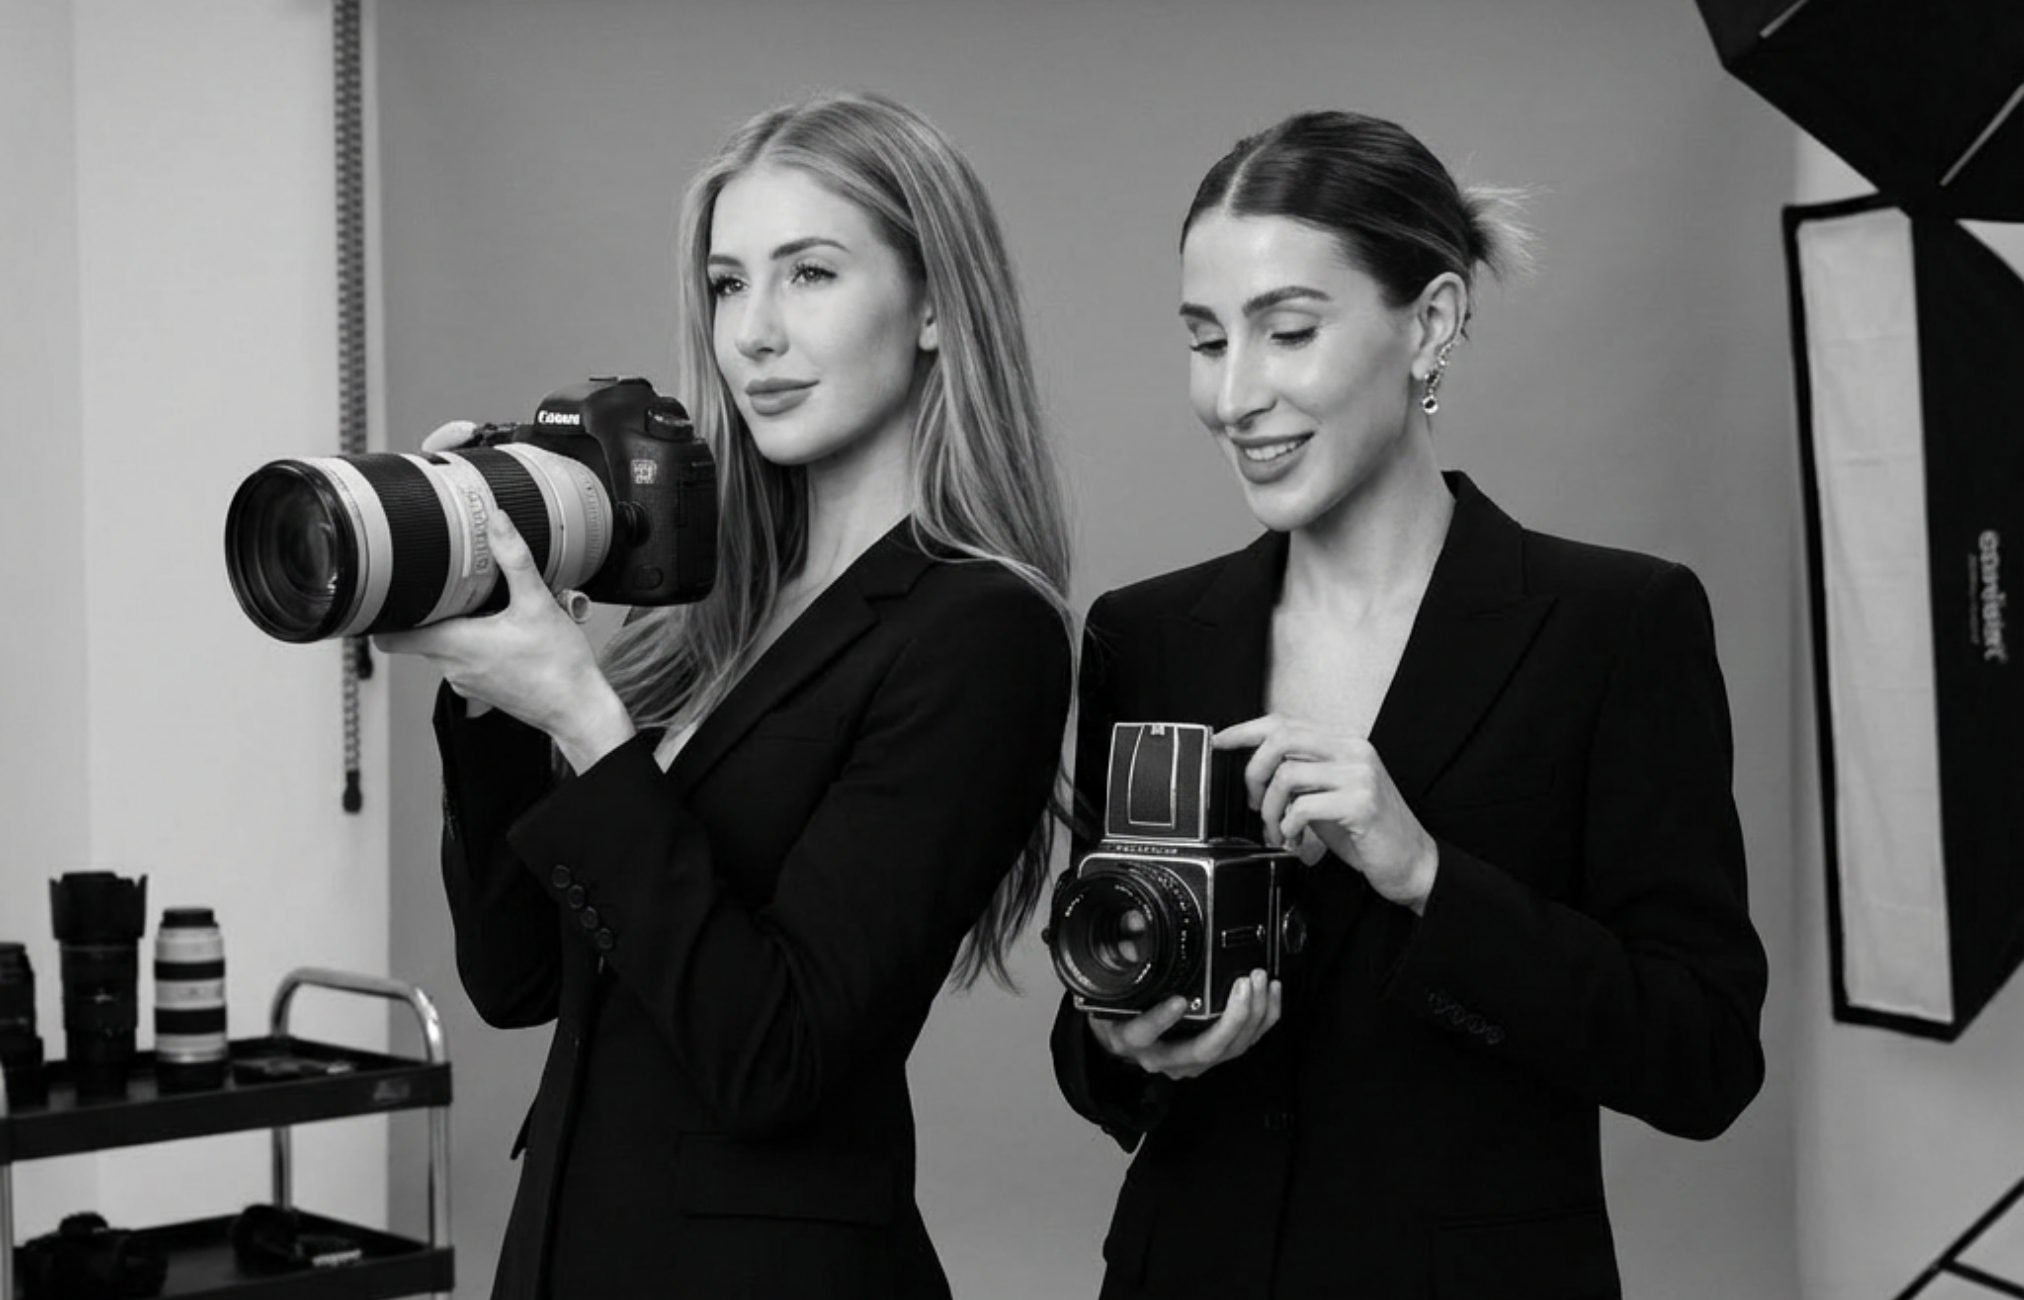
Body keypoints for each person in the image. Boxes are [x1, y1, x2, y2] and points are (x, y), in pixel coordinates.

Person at [1050, 110, 1768, 1299]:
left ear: (1428, 324)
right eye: (1203, 339)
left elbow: (1700, 1057)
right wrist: (1128, 1043)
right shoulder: (1144, 634)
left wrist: (1427, 872)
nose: (1234, 396)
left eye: (1286, 331)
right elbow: (1093, 1028)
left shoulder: (1613, 624)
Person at [377, 92, 1074, 1300]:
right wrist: (495, 695)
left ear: (933, 310)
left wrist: (588, 726)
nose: (751, 332)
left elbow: (777, 1056)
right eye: (725, 282)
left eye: (808, 274)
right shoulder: (708, 610)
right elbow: (516, 979)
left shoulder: (982, 631)